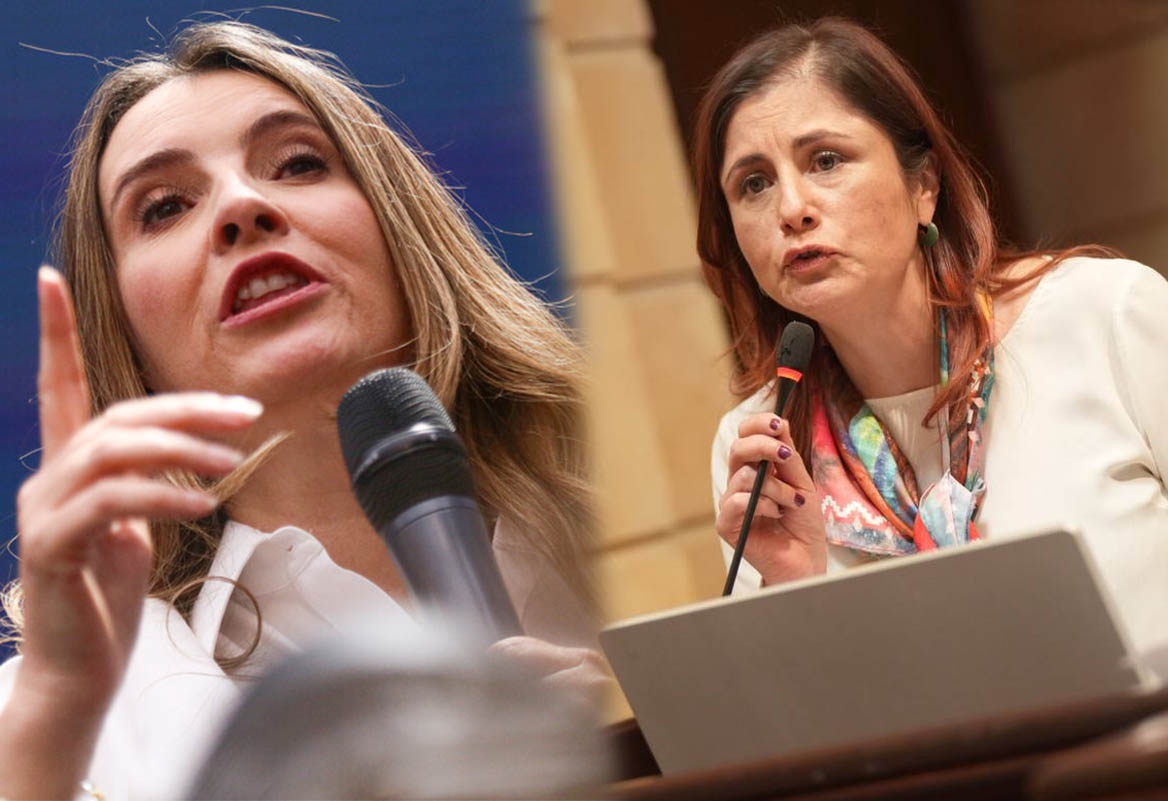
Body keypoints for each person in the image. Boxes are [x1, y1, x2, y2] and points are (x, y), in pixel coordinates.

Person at [0, 21, 606, 800]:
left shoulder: (659, 519)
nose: (242, 205)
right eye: (164, 207)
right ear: (124, 334)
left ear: (401, 228)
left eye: (297, 163)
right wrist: (53, 712)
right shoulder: (62, 715)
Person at [698, 19, 1168, 656]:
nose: (791, 209)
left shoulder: (1105, 315)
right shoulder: (759, 446)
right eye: (753, 183)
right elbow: (813, 713)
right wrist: (797, 592)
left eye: (826, 160)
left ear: (923, 186)